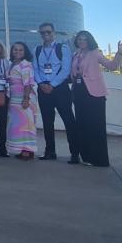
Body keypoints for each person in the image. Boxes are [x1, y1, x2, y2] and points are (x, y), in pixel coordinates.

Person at [71, 31, 122, 167]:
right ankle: (86, 157)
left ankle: (99, 159)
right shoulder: (76, 54)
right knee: (82, 125)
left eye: (84, 39)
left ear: (89, 40)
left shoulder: (95, 53)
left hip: (94, 93)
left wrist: (119, 52)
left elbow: (112, 66)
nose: (82, 41)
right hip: (79, 92)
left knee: (96, 126)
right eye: (79, 39)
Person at [34, 22, 80, 163]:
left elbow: (65, 69)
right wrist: (41, 84)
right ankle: (50, 151)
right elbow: (35, 69)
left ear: (54, 33)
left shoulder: (62, 48)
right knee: (47, 122)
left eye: (48, 32)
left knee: (69, 121)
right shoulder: (37, 49)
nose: (45, 34)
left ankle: (75, 153)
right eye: (42, 32)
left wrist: (52, 85)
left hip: (60, 89)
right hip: (43, 89)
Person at [5, 42, 37, 160]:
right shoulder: (12, 64)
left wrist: (26, 99)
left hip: (24, 97)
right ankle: (21, 149)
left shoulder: (26, 64)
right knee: (17, 125)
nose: (17, 52)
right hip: (14, 99)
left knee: (26, 125)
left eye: (20, 50)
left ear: (25, 52)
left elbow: (28, 83)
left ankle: (27, 151)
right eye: (15, 49)